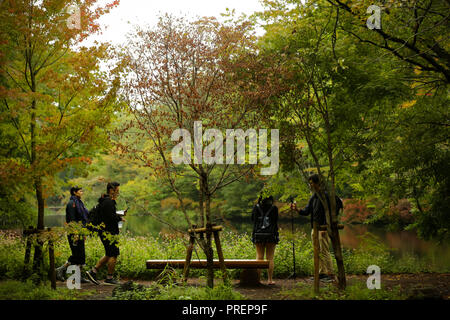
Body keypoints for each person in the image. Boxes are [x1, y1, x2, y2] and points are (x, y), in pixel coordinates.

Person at [290, 174, 343, 283]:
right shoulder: (314, 197)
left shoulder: (326, 196)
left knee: (324, 251)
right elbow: (306, 211)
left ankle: (331, 274)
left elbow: (333, 211)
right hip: (314, 228)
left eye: (312, 183)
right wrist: (297, 210)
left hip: (323, 228)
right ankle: (322, 273)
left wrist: (325, 227)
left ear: (318, 183)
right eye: (310, 183)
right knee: (317, 251)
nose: (311, 185)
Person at [85, 182, 125, 285]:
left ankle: (93, 272)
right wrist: (119, 217)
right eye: (117, 191)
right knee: (114, 254)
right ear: (111, 190)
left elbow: (108, 215)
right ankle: (109, 278)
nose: (118, 193)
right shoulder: (109, 202)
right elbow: (110, 217)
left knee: (109, 254)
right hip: (108, 232)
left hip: (105, 231)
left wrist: (117, 215)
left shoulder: (105, 201)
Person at [56, 186, 90, 283]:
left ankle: (78, 277)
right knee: (76, 255)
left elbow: (85, 216)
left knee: (81, 255)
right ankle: (60, 270)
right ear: (75, 192)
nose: (82, 192)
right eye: (80, 191)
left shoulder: (80, 203)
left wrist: (83, 232)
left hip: (80, 232)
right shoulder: (72, 204)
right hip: (74, 233)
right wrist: (75, 233)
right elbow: (71, 220)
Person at [251, 195, 279, 285]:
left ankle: (258, 279)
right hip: (271, 235)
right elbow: (275, 221)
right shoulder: (274, 208)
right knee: (270, 258)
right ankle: (270, 280)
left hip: (258, 235)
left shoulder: (256, 207)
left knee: (259, 257)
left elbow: (253, 220)